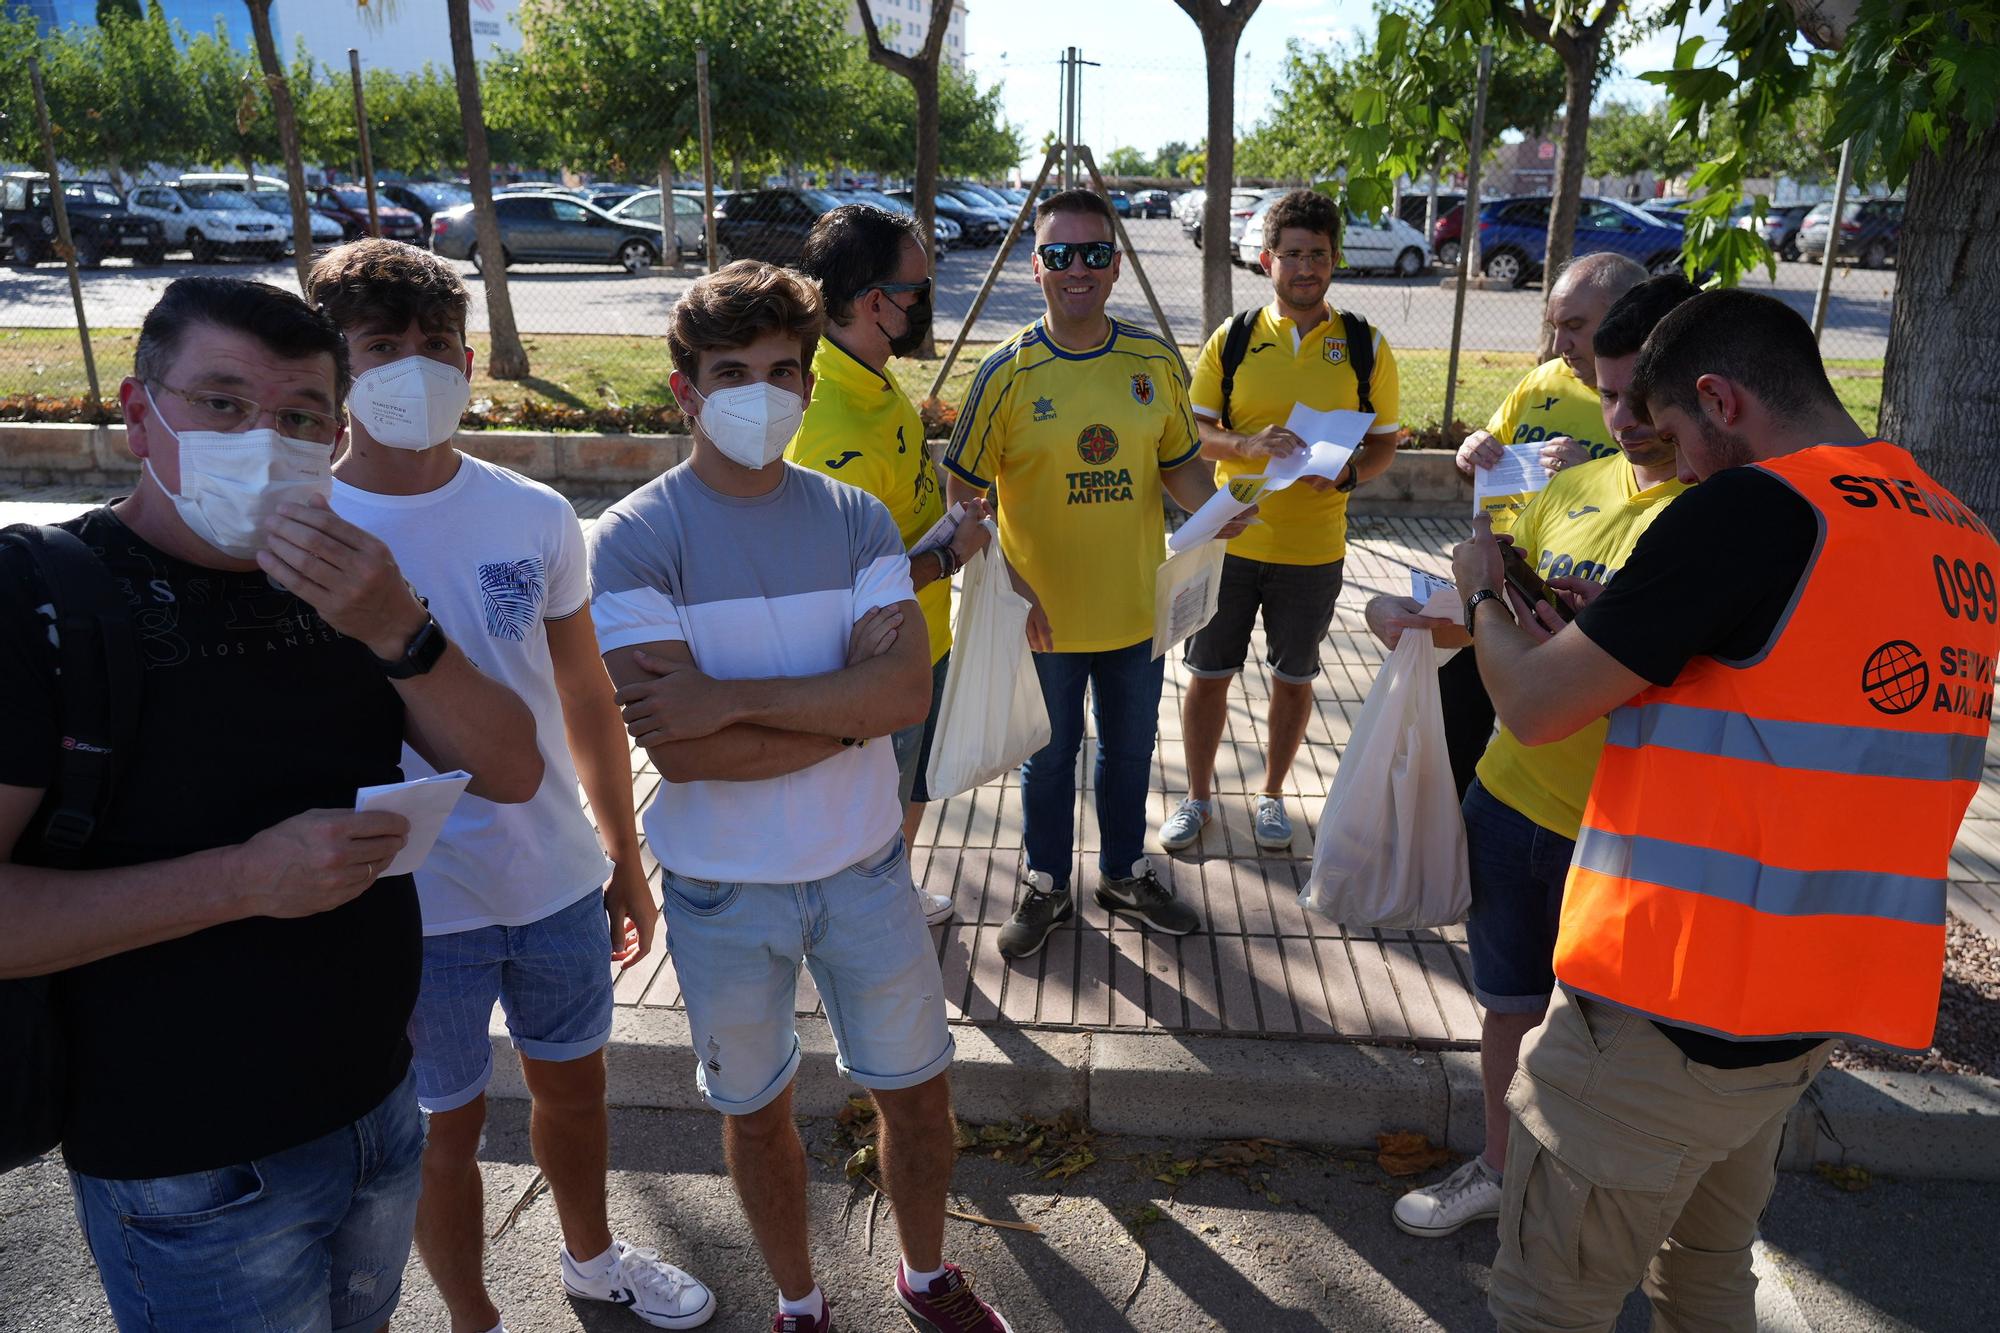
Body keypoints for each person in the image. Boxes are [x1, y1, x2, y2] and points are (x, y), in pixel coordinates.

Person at [0, 277, 543, 1330]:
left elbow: (514, 769)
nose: (263, 436)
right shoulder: (36, 600)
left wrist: (401, 628)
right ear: (136, 413)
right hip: (185, 1163)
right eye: (221, 403)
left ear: (334, 439)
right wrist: (244, 880)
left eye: (298, 418)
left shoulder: (348, 580)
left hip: (380, 1107)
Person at [1452, 288, 2000, 1329]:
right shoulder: (1956, 531)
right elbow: (1799, 691)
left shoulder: (1747, 511)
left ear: (1719, 398)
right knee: (1703, 1280)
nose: (1673, 470)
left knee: (1542, 1301)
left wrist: (1483, 590)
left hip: (1662, 1005)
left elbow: (1528, 704)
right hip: (1798, 1011)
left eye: (1669, 438)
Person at [589, 261, 1014, 1333]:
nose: (760, 394)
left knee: (918, 1097)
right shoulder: (634, 537)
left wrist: (725, 701)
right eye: (730, 372)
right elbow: (680, 757)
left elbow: (902, 690)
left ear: (809, 374)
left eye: (783, 370)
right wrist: (839, 711)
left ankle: (924, 1278)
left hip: (866, 868)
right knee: (754, 1111)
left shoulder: (856, 519)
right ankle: (800, 1302)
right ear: (682, 389)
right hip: (721, 894)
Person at [312, 241, 712, 1332]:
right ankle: (473, 1315)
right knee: (439, 1127)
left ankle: (591, 1260)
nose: (413, 367)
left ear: (471, 356)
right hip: (406, 906)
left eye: (434, 344)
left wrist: (623, 862)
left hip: (551, 881)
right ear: (333, 367)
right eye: (380, 346)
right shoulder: (301, 529)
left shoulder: (533, 514)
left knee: (575, 1091)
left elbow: (585, 698)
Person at [1364, 274, 1698, 1241]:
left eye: (1643, 396)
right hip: (1513, 800)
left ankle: (1600, 1198)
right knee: (1508, 1003)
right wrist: (1418, 619)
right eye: (1607, 394)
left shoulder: (1721, 518)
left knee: (1613, 1032)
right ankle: (1503, 1170)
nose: (1624, 419)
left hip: (1632, 826)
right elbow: (1501, 618)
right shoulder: (1573, 487)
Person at [942, 188, 1253, 961]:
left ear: (1114, 265)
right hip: (1041, 618)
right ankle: (1046, 882)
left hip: (1135, 614)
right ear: (1036, 264)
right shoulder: (1004, 374)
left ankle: (1121, 872)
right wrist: (1011, 586)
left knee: (1129, 752)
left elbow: (1180, 468)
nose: (1076, 268)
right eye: (1059, 254)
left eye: (1092, 253)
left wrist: (1215, 511)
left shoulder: (1152, 362)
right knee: (1047, 761)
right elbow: (962, 495)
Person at [1160, 188, 1403, 853]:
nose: (1305, 267)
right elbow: (1191, 432)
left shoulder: (1364, 345)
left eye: (1318, 255)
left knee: (1295, 678)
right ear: (1266, 260)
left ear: (1333, 261)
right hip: (1230, 537)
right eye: (1292, 254)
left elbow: (1383, 443)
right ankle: (1197, 797)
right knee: (1208, 672)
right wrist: (1245, 445)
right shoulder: (1233, 339)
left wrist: (1350, 472)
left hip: (1314, 548)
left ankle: (1272, 796)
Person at [787, 204, 993, 925]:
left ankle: (889, 894)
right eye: (919, 290)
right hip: (882, 653)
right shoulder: (829, 419)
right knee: (876, 802)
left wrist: (947, 522)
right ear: (876, 303)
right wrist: (948, 553)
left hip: (921, 639)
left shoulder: (867, 375)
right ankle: (867, 924)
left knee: (910, 788)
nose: (926, 304)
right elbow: (847, 584)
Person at [1439, 253, 1647, 798]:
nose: (1561, 346)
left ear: (1625, 315)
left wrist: (1597, 476)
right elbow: (1496, 467)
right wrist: (1474, 456)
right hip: (1499, 586)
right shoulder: (1541, 382)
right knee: (1457, 731)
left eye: (1574, 327)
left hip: (1571, 615)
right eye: (1555, 328)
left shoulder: (1653, 403)